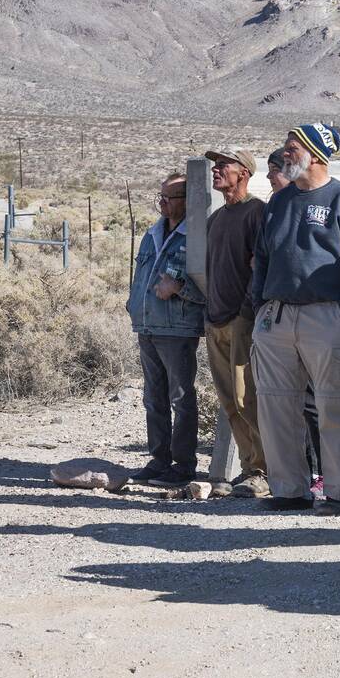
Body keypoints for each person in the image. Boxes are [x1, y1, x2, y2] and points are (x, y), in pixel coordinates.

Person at [250, 124, 340, 516]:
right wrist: (260, 305)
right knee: (276, 407)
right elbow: (263, 257)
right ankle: (290, 489)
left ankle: (336, 492)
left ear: (316, 155)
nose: (284, 154)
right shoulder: (279, 201)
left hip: (326, 315)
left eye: (292, 148)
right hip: (276, 316)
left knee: (331, 405)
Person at [127, 173, 207, 487]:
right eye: (161, 196)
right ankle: (159, 460)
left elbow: (209, 288)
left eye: (169, 197)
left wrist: (180, 289)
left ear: (188, 200)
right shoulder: (153, 232)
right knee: (153, 398)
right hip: (147, 325)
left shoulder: (196, 237)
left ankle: (184, 465)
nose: (162, 202)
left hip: (178, 328)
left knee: (181, 397)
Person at [203, 148, 268, 498]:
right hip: (214, 321)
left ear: (243, 173)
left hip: (241, 320)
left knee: (248, 398)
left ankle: (265, 469)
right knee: (229, 400)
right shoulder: (215, 219)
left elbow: (260, 267)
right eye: (215, 166)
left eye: (222, 166)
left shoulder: (256, 213)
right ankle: (248, 468)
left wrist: (245, 312)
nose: (216, 170)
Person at [267, 149, 324, 486]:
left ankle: (320, 472)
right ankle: (292, 477)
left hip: (315, 317)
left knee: (313, 401)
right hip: (276, 316)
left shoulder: (315, 203)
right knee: (283, 402)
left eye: (276, 169)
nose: (273, 176)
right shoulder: (276, 207)